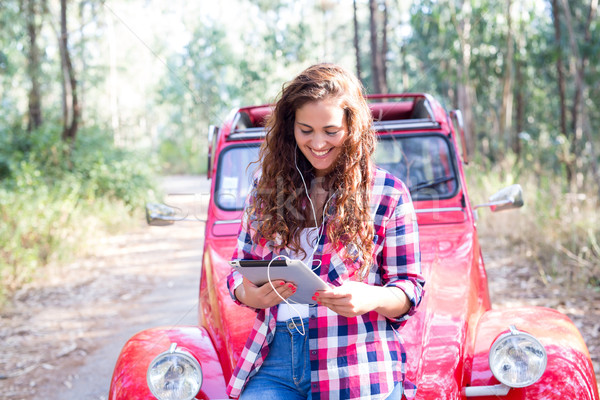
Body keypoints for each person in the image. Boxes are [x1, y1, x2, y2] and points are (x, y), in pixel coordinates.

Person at [226, 63, 425, 400]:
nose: (317, 143)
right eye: (306, 130)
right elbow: (239, 269)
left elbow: (410, 288)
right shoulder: (266, 191)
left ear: (352, 127)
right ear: (290, 129)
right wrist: (249, 295)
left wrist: (370, 297)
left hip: (357, 363)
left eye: (331, 131)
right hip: (276, 361)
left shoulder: (388, 194)